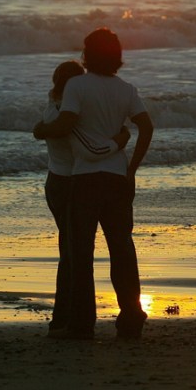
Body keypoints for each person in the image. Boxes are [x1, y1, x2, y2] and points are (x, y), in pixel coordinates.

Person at [34, 27, 154, 340]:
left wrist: (41, 130)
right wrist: (132, 168)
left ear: (87, 54)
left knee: (80, 252)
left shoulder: (77, 85)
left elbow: (67, 122)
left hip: (85, 179)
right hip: (117, 178)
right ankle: (130, 316)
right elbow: (146, 126)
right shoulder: (126, 89)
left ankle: (81, 324)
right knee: (122, 248)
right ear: (117, 57)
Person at [38, 60, 130, 334]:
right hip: (70, 182)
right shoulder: (70, 115)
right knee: (73, 254)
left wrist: (39, 128)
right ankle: (67, 319)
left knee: (70, 251)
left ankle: (65, 318)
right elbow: (92, 145)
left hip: (57, 179)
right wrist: (120, 139)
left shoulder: (53, 106)